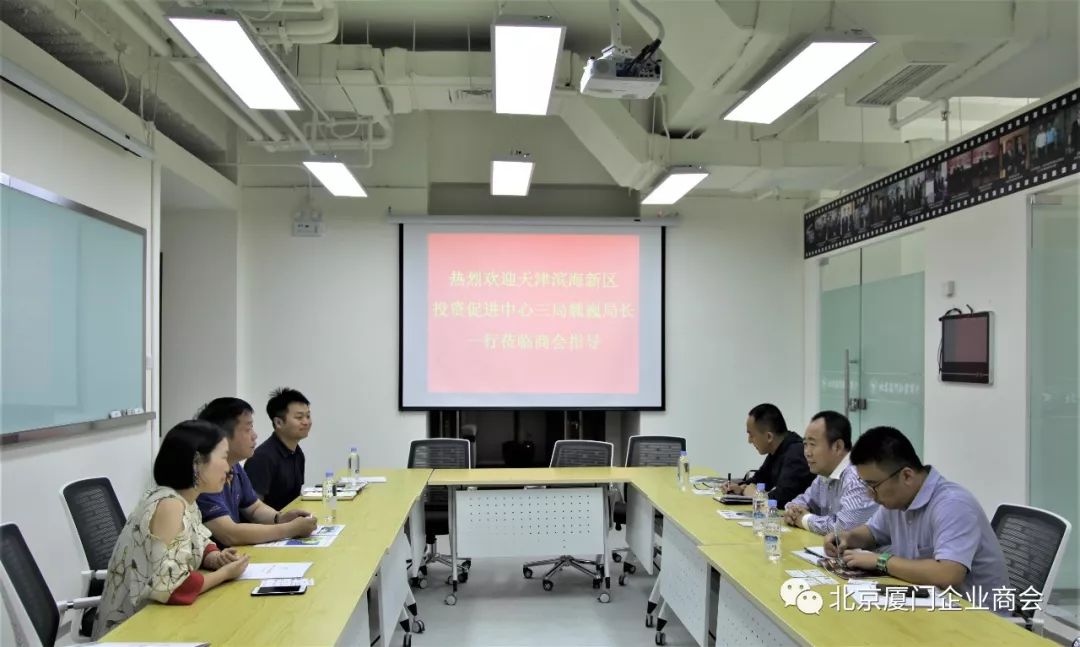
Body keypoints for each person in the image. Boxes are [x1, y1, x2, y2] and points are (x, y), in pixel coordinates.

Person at [93, 421, 249, 638]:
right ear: (196, 462)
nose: (228, 468)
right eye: (223, 457)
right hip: (134, 631)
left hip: (160, 619)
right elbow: (173, 586)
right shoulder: (169, 505)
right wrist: (225, 574)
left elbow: (198, 541)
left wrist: (215, 557)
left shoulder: (184, 499)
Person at [824, 426, 1009, 599]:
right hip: (928, 603)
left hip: (976, 614)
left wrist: (881, 561)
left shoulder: (953, 504)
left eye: (874, 485)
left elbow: (948, 574)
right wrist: (846, 537)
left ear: (907, 476)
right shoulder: (897, 501)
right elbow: (873, 532)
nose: (870, 495)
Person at [196, 397, 317, 547]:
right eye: (248, 429)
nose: (255, 435)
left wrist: (280, 518)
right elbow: (229, 534)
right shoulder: (204, 475)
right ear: (222, 437)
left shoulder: (234, 466)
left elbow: (254, 508)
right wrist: (289, 529)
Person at [782, 411, 877, 534]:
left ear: (837, 446)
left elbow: (843, 528)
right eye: (805, 444)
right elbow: (803, 500)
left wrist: (804, 519)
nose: (807, 453)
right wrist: (792, 511)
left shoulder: (857, 477)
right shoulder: (825, 474)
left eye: (812, 444)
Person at [720, 403, 814, 508]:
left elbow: (782, 498)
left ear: (769, 437)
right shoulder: (778, 448)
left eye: (751, 435)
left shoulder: (796, 453)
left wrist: (755, 494)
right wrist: (739, 488)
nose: (749, 441)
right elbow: (759, 479)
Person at [245, 387, 312, 511]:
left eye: (308, 416)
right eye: (299, 417)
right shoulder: (262, 458)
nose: (306, 422)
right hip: (271, 522)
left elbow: (294, 498)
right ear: (278, 422)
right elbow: (253, 510)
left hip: (291, 519)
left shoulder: (297, 453)